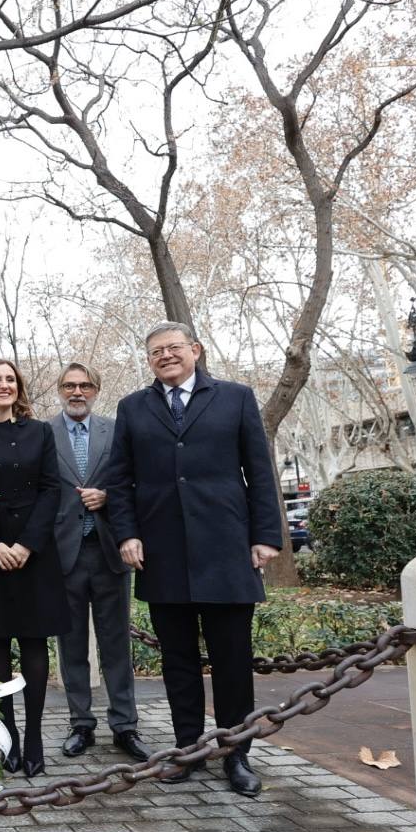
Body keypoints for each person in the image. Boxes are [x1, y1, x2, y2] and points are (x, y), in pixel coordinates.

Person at [103, 322, 281, 797]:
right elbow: (120, 481)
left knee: (232, 660)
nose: (165, 356)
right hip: (161, 552)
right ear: (149, 360)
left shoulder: (235, 397)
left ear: (195, 351)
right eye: (156, 351)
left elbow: (259, 471)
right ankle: (186, 749)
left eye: (174, 348)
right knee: (177, 661)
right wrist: (127, 535)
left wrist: (266, 537)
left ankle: (235, 752)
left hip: (226, 548)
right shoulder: (133, 408)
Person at [0, 358, 68, 778]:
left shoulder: (40, 432)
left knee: (35, 646)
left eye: (10, 379)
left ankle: (36, 737)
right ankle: (8, 739)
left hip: (34, 553)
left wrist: (26, 544)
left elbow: (51, 489)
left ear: (18, 388)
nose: (3, 385)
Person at [47, 362, 151, 764]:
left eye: (85, 385)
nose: (77, 392)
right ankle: (81, 724)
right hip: (64, 554)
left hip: (109, 550)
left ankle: (125, 725)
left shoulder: (116, 429)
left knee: (116, 646)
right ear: (59, 390)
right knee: (71, 645)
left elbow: (134, 479)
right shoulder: (45, 432)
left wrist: (107, 497)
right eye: (70, 386)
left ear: (96, 390)